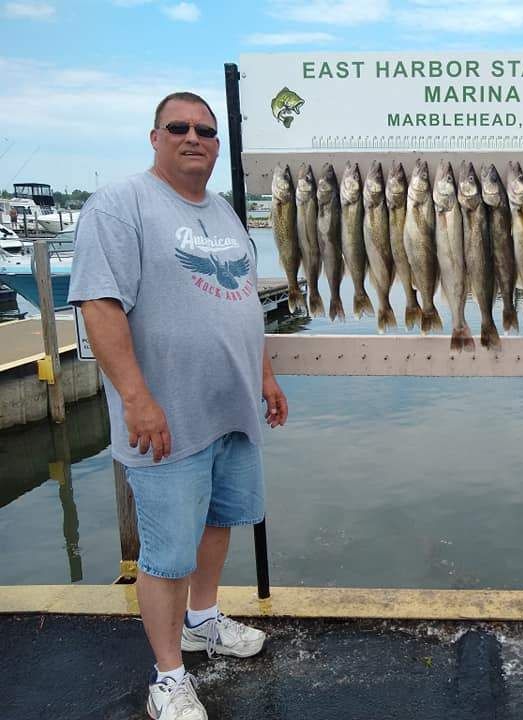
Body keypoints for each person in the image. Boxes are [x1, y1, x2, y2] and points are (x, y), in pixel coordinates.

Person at [69, 91, 288, 720]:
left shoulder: (223, 212)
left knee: (219, 521)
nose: (194, 137)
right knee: (166, 554)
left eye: (206, 130)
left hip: (231, 410)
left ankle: (203, 620)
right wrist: (137, 399)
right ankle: (167, 676)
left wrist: (265, 376)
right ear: (155, 137)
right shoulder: (120, 205)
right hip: (165, 418)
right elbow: (99, 305)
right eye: (179, 127)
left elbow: (243, 301)